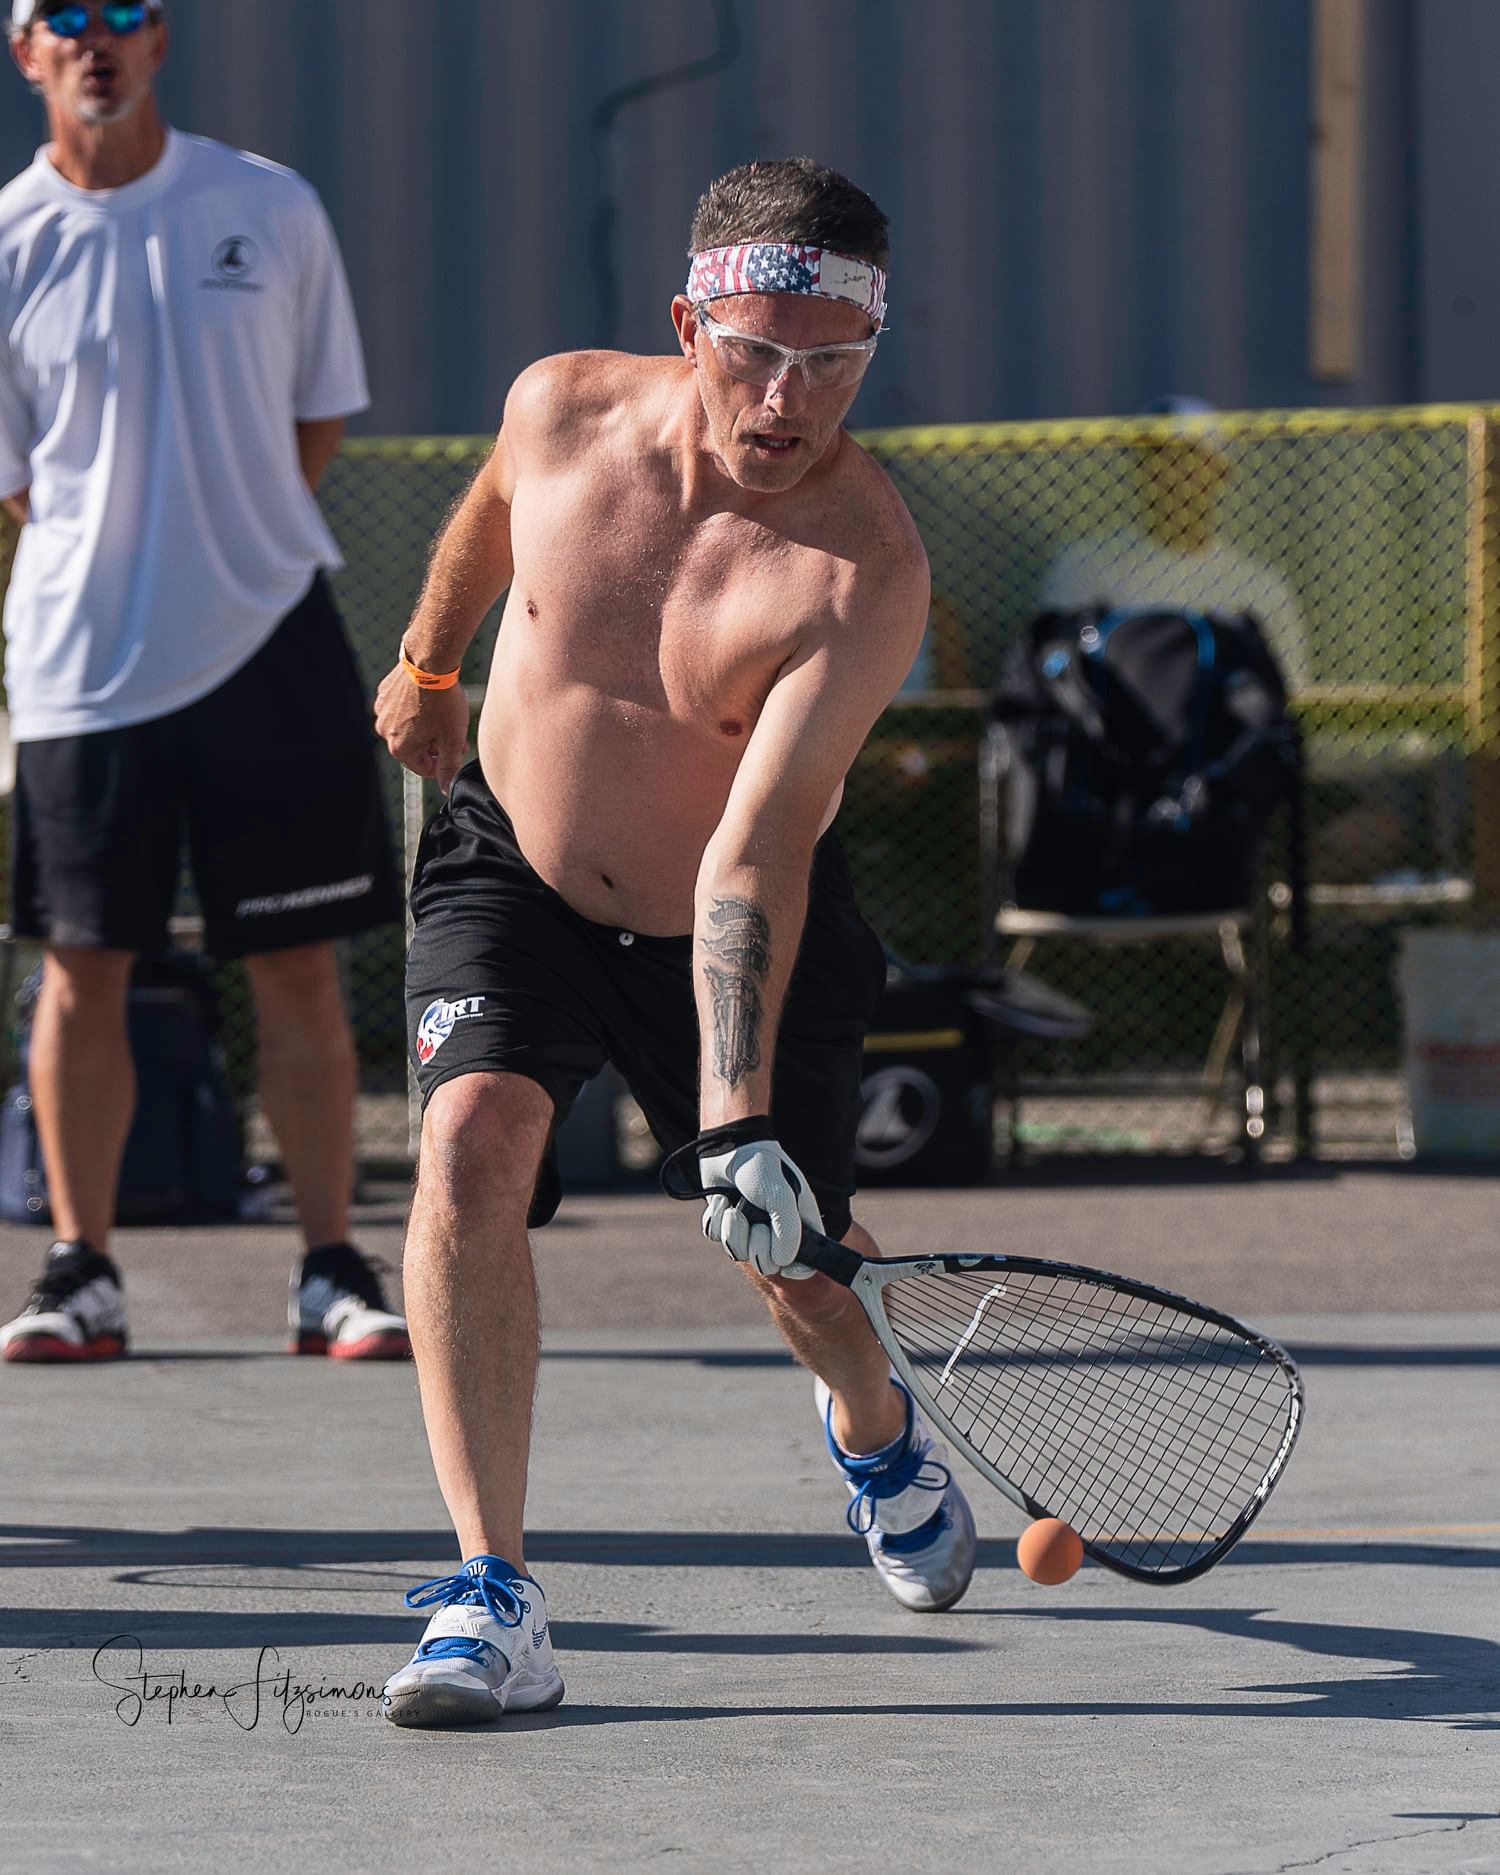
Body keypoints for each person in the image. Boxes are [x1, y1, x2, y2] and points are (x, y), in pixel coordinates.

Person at [372, 157, 977, 1728]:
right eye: (757, 352)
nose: (789, 399)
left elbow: (756, 850)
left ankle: (873, 1428)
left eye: (835, 361)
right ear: (687, 324)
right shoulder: (561, 409)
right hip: (513, 869)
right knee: (468, 1143)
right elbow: (493, 509)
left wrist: (734, 1114)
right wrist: (430, 663)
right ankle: (492, 1592)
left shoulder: (861, 571)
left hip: (736, 922)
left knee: (795, 1272)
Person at [0, 0, 407, 1363]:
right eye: (65, 17)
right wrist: (126, 565)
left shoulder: (269, 206)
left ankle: (330, 1268)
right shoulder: (9, 239)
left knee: (297, 961)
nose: (96, 39)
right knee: (83, 968)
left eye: (124, 12)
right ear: (25, 51)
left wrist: (228, 552)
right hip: (81, 667)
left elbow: (318, 412)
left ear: (160, 41)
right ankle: (82, 1271)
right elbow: (17, 481)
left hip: (270, 638)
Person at [1039, 395, 1310, 691]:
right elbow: (1052, 672)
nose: (1164, 468)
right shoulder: (1085, 567)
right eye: (1152, 452)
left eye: (1185, 454)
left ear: (1221, 472)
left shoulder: (1259, 589)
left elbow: (1289, 693)